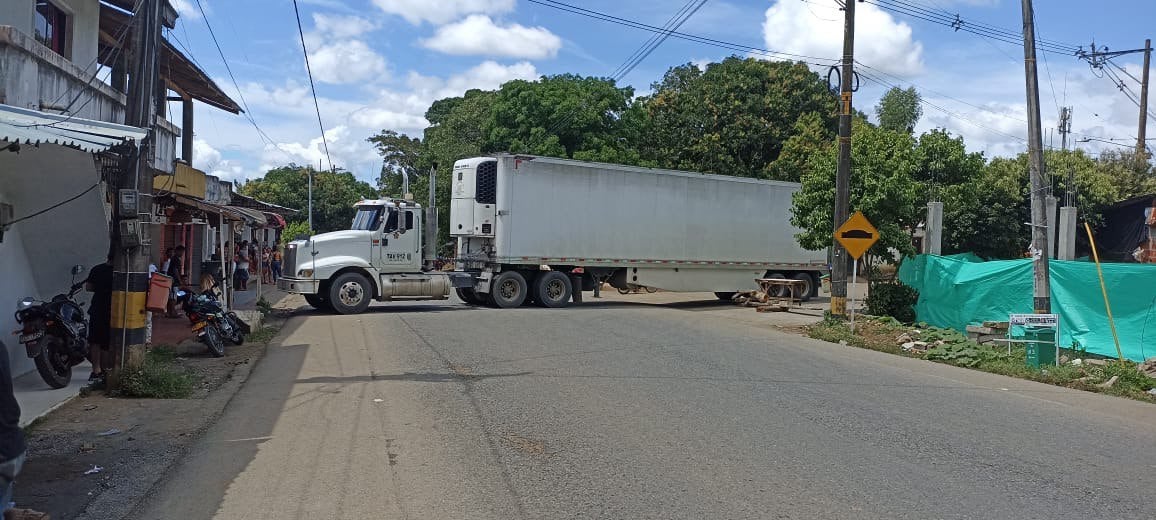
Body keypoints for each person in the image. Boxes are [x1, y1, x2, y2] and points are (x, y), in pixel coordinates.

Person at [85, 252, 115, 386]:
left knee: (95, 341)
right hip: (112, 310)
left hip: (97, 308)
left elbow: (89, 287)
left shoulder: (97, 269)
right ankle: (106, 370)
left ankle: (96, 370)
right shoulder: (119, 273)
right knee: (107, 342)